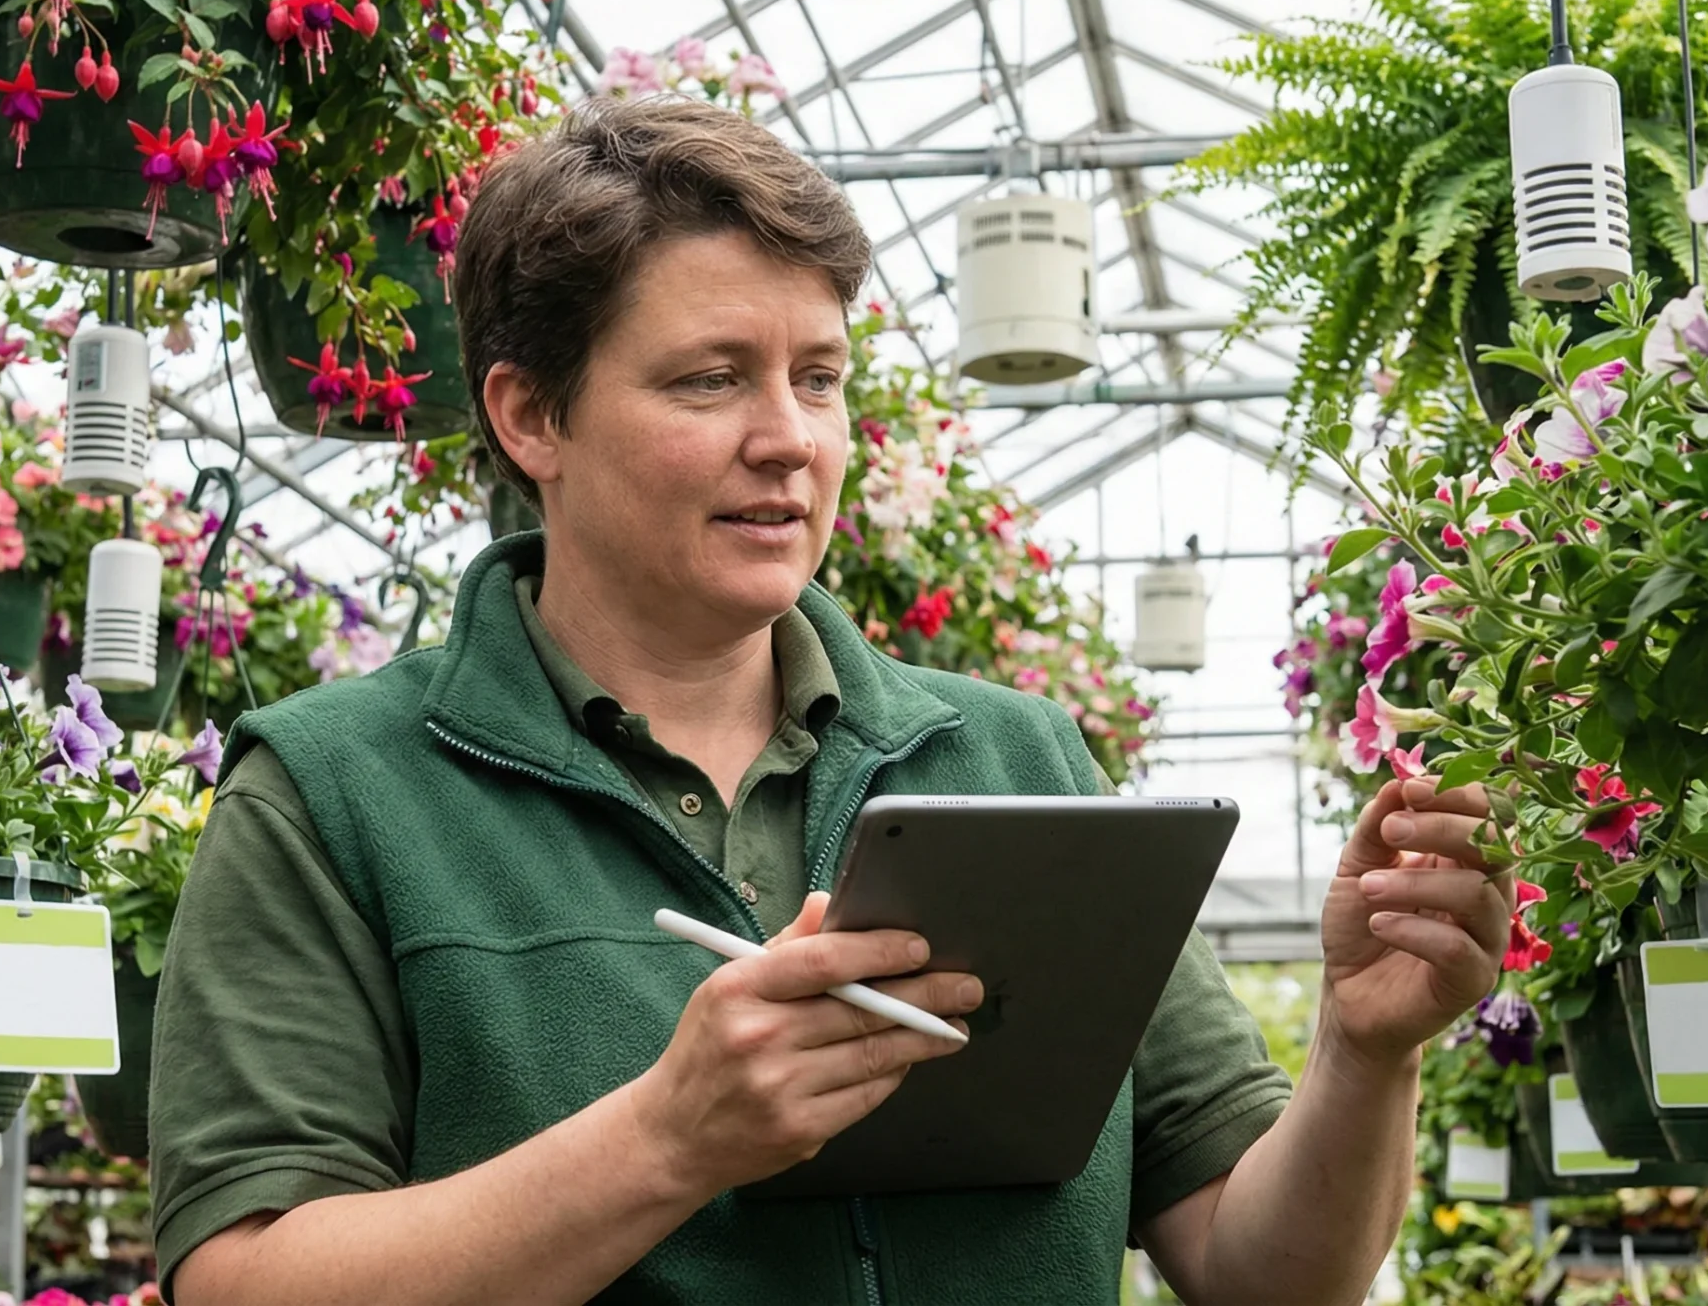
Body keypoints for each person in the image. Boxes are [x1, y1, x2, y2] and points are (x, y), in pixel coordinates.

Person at [151, 96, 1510, 1304]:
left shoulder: (1011, 757)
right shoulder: (339, 794)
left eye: (819, 378)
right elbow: (247, 1276)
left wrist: (1363, 1053)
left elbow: (1265, 1268)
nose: (790, 439)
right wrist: (663, 1142)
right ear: (530, 418)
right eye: (709, 377)